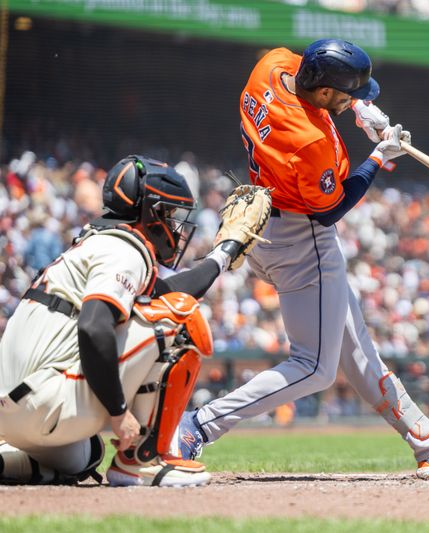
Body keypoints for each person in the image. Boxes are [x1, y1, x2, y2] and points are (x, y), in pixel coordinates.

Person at [176, 38, 429, 479]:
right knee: (314, 367)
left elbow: (302, 69)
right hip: (302, 238)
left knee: (360, 353)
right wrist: (380, 157)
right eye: (347, 95)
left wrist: (359, 111)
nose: (353, 99)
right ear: (325, 92)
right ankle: (197, 426)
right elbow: (331, 208)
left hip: (267, 224)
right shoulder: (309, 140)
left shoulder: (271, 66)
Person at [0, 155, 254, 486]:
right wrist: (119, 413)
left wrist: (224, 253)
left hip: (14, 414)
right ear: (151, 211)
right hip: (41, 404)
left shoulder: (99, 243)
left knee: (85, 455)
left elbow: (164, 289)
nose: (174, 226)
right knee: (177, 316)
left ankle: (10, 458)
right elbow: (93, 327)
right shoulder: (126, 248)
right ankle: (140, 462)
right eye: (169, 213)